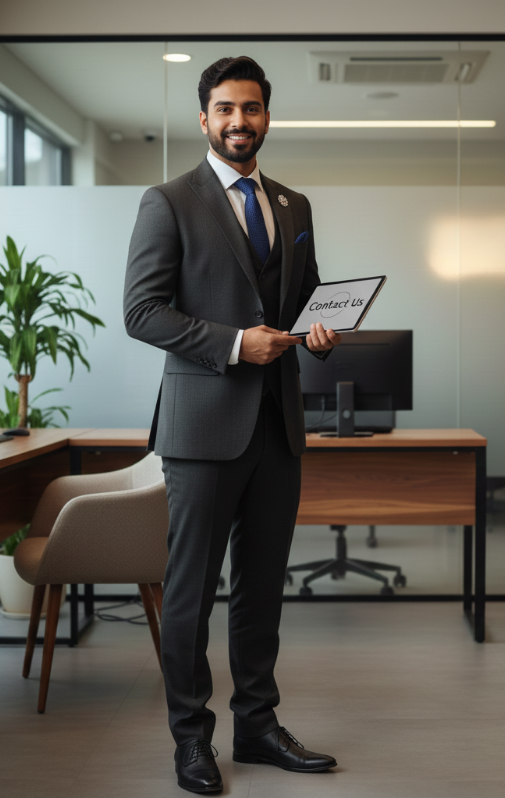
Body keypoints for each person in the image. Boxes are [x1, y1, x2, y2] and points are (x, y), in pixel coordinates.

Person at [124, 56, 341, 794]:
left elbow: (300, 296)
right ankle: (192, 741)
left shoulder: (293, 204)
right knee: (188, 595)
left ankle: (257, 726)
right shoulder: (168, 200)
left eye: (250, 109)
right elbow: (142, 311)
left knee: (261, 591)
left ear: (266, 117)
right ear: (204, 119)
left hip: (278, 425)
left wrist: (318, 328)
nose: (238, 122)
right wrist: (230, 343)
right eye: (224, 110)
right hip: (203, 427)